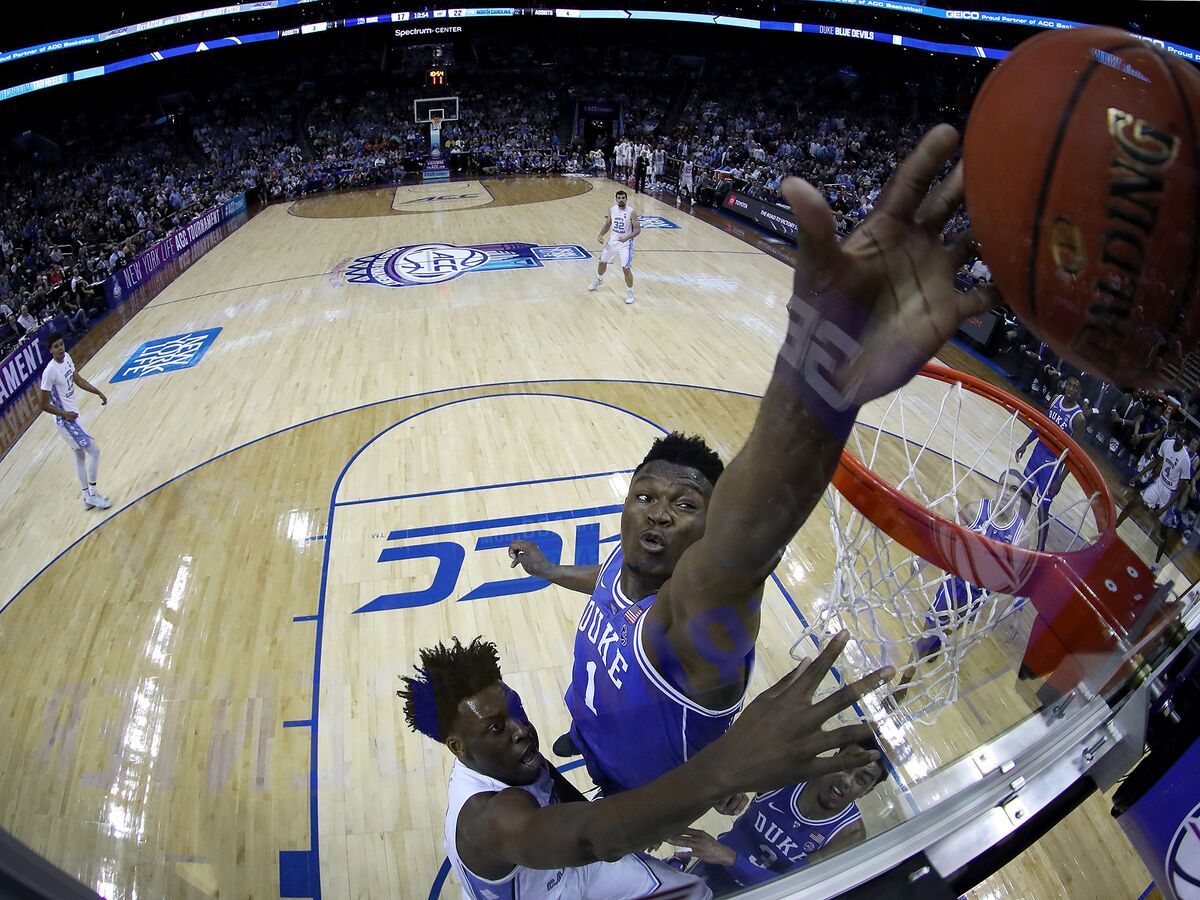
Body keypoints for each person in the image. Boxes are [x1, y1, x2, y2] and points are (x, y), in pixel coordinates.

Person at [513, 124, 997, 797]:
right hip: (592, 729)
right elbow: (607, 580)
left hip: (633, 800)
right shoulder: (632, 566)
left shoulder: (694, 626)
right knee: (587, 709)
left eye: (686, 506)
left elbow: (745, 543)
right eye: (645, 496)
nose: (658, 514)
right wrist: (547, 570)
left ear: (711, 526)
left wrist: (820, 368)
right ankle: (585, 732)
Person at [399, 632, 889, 900]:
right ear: (458, 748)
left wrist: (647, 819)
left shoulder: (506, 758)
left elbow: (567, 805)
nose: (520, 729)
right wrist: (728, 764)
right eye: (497, 727)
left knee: (689, 885)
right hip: (554, 885)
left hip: (557, 875)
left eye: (514, 710)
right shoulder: (488, 816)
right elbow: (588, 838)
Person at [664, 739, 888, 895]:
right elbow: (715, 782)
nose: (847, 780)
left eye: (862, 779)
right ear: (835, 757)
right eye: (847, 765)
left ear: (867, 791)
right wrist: (726, 794)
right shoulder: (792, 771)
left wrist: (730, 858)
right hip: (707, 871)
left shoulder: (849, 834)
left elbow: (791, 888)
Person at [892, 469, 1034, 703]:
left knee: (950, 628)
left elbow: (1021, 579)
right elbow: (944, 535)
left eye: (1014, 489)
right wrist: (922, 559)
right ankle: (903, 684)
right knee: (927, 634)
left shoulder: (1021, 536)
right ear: (997, 486)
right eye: (1004, 486)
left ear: (1019, 496)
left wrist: (1017, 614)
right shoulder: (975, 511)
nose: (1007, 493)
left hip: (979, 595)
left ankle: (939, 639)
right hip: (955, 582)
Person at [38, 332, 111, 510]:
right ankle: (93, 494)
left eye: (61, 344)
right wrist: (65, 414)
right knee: (94, 451)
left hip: (72, 415)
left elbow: (78, 379)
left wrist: (97, 392)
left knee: (79, 455)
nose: (60, 348)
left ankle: (86, 498)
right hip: (66, 421)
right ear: (50, 350)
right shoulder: (50, 372)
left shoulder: (68, 358)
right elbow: (43, 404)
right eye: (56, 346)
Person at [1014, 376, 1088, 550]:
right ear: (1065, 385)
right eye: (1069, 385)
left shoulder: (1078, 419)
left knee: (1042, 509)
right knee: (1025, 497)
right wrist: (1025, 444)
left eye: (1075, 387)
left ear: (1079, 392)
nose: (1071, 389)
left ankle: (1040, 548)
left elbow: (1074, 455)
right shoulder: (1055, 399)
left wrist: (1060, 480)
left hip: (1052, 465)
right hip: (1036, 455)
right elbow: (1041, 425)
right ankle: (1015, 531)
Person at [1116, 413, 1193, 570]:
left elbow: (1179, 491)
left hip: (1170, 493)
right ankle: (1113, 528)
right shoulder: (1167, 444)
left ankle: (1157, 564)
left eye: (1183, 438)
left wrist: (1163, 509)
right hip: (1159, 484)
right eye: (1179, 435)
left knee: (1163, 533)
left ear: (1185, 442)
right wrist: (1138, 475)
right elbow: (1156, 463)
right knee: (1133, 503)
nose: (1180, 438)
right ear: (1176, 433)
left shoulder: (1185, 460)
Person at [587, 189, 640, 305]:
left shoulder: (631, 212)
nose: (621, 200)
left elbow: (637, 230)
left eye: (623, 198)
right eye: (619, 198)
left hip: (626, 243)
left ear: (626, 199)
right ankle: (599, 279)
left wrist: (626, 237)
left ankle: (630, 292)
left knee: (626, 268)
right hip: (613, 241)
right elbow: (607, 224)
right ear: (616, 199)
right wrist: (600, 235)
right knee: (602, 261)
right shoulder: (612, 210)